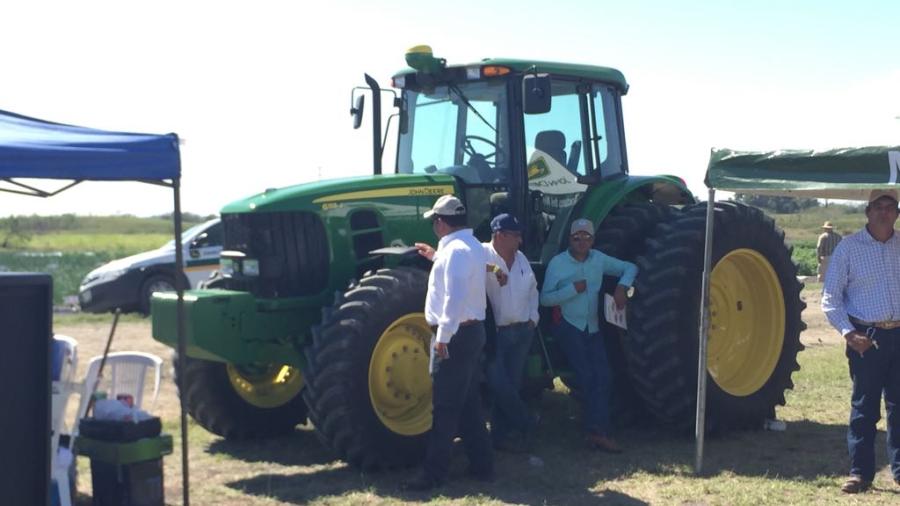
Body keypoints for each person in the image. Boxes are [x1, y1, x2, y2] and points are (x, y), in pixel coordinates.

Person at [402, 194, 494, 491]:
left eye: (435, 221)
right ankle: (482, 465)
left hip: (454, 334)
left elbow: (454, 297)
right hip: (471, 332)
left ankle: (433, 474)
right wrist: (434, 256)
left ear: (441, 223)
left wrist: (442, 338)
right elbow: (461, 273)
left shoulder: (455, 253)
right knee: (468, 403)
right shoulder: (472, 247)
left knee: (444, 407)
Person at [821, 189, 900, 494]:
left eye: (889, 207)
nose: (883, 212)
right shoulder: (849, 248)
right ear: (867, 212)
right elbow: (830, 298)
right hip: (867, 337)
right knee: (865, 407)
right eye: (878, 207)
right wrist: (848, 333)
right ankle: (860, 473)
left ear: (896, 213)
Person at [540, 218, 637, 453]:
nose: (581, 241)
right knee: (587, 377)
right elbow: (545, 298)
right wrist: (573, 289)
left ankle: (596, 430)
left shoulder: (599, 259)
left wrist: (622, 287)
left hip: (591, 328)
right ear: (570, 239)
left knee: (603, 376)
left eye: (586, 237)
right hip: (568, 326)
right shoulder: (558, 263)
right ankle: (597, 431)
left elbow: (630, 267)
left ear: (593, 240)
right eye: (577, 237)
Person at [483, 213, 540, 452]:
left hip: (522, 332)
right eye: (515, 236)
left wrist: (533, 318)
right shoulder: (482, 253)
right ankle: (525, 422)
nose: (519, 240)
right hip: (496, 334)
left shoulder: (522, 259)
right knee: (499, 384)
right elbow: (461, 264)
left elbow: (533, 289)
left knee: (512, 384)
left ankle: (500, 437)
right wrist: (494, 267)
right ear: (499, 236)